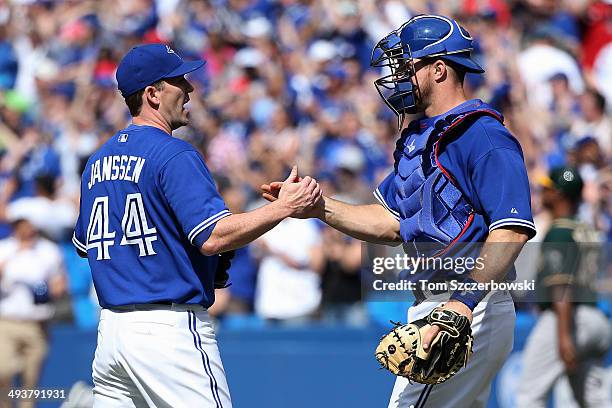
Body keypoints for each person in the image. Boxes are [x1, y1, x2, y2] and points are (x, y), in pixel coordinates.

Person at [263, 14, 535, 407]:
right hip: (441, 304)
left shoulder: (484, 135)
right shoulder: (422, 135)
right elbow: (390, 222)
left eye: (408, 66)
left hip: (465, 305)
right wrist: (319, 207)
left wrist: (461, 304)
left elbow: (511, 231)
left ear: (439, 69)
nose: (398, 76)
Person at [72, 43, 321, 407]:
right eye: (178, 81)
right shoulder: (174, 153)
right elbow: (212, 237)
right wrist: (283, 207)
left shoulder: (98, 161)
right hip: (167, 331)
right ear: (152, 94)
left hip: (111, 333)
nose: (189, 89)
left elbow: (85, 245)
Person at [517, 167, 611, 408]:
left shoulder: (559, 232)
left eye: (548, 188)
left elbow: (561, 287)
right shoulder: (586, 229)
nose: (543, 192)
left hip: (566, 318)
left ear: (560, 194)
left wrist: (563, 337)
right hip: (595, 318)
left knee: (529, 395)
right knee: (591, 399)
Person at [0, 216, 66, 408]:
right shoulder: (4, 248)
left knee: (31, 379)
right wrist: (15, 255)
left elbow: (60, 282)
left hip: (37, 323)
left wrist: (53, 289)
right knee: (3, 370)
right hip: (7, 322)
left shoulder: (49, 251)